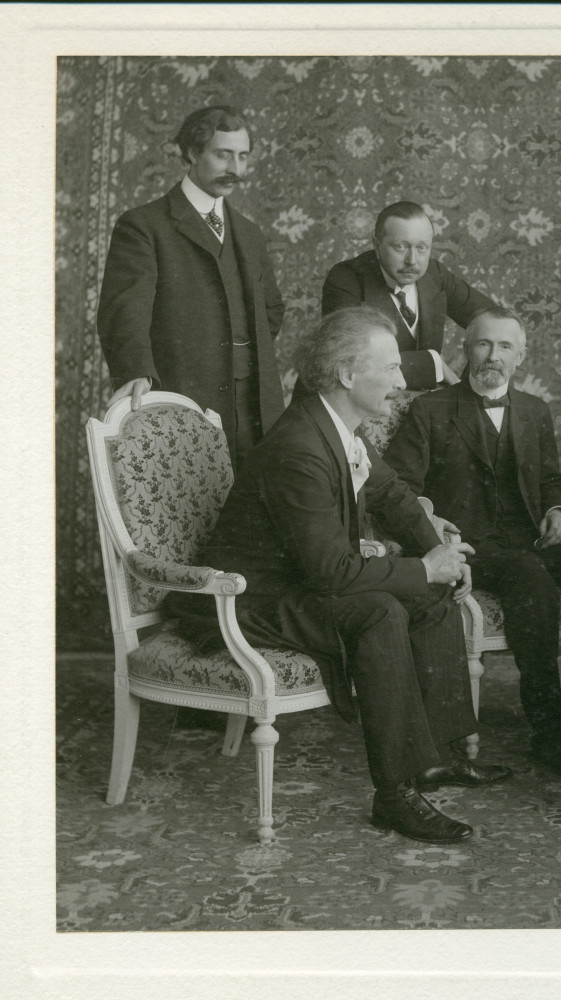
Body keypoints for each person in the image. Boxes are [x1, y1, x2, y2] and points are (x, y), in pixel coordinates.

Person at [170, 306, 512, 844]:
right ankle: (394, 795)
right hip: (247, 600)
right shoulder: (299, 446)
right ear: (349, 374)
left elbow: (393, 495)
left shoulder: (338, 426)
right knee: (380, 610)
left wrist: (439, 557)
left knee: (428, 598)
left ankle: (438, 758)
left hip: (299, 585)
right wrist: (424, 568)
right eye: (392, 368)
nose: (402, 381)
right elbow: (332, 573)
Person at [384, 306, 561, 771]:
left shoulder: (535, 410)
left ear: (521, 356)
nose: (493, 355)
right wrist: (436, 525)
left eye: (505, 346)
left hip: (529, 540)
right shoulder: (431, 409)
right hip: (471, 547)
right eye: (483, 344)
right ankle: (548, 730)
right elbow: (400, 488)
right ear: (466, 349)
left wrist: (558, 511)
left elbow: (552, 479)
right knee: (529, 576)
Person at [97, 104, 286, 470]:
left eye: (243, 156)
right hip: (183, 399)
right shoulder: (143, 226)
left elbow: (271, 310)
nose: (235, 169)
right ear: (192, 152)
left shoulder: (249, 233)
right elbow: (125, 308)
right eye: (223, 155)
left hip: (258, 412)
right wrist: (135, 370)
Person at [316, 200, 494, 392]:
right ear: (377, 246)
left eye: (421, 247)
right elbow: (351, 359)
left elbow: (496, 322)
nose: (412, 260)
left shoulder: (435, 273)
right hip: (356, 403)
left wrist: (470, 387)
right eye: (401, 247)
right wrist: (434, 363)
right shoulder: (345, 279)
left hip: (418, 403)